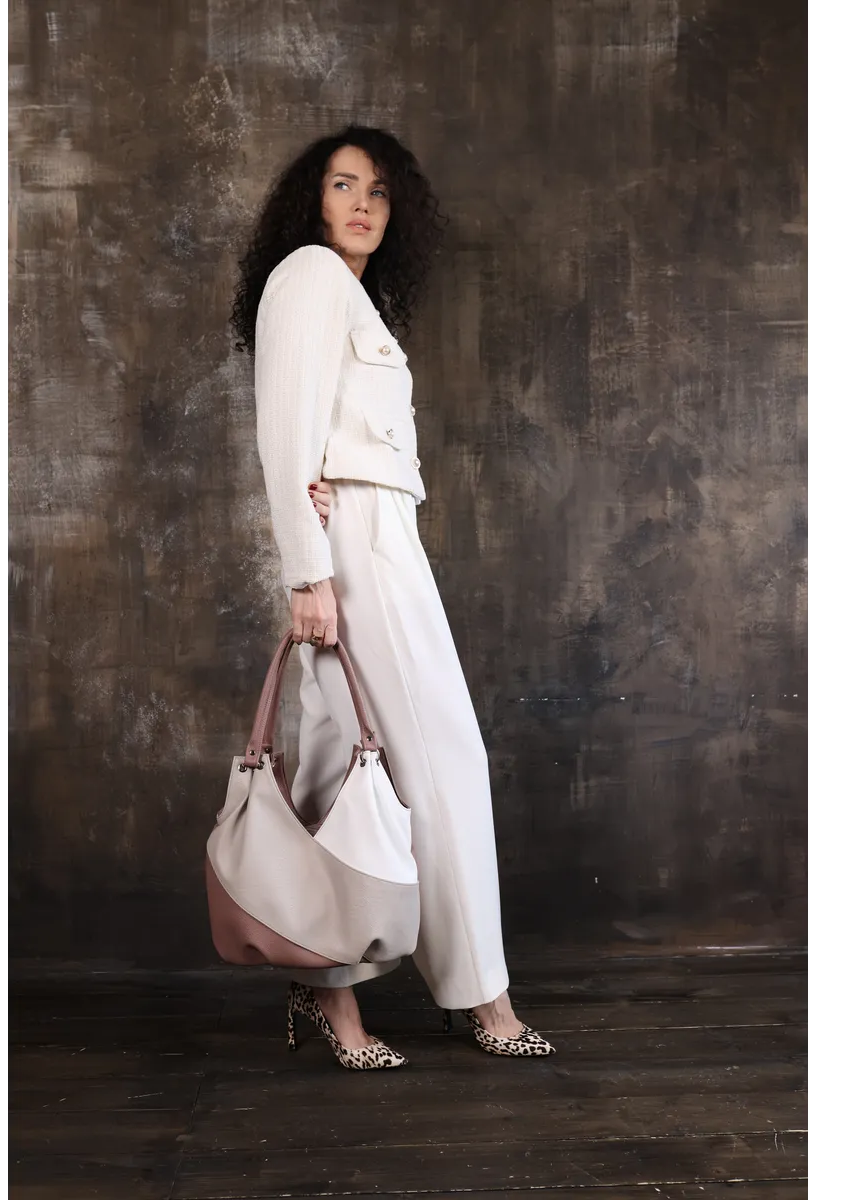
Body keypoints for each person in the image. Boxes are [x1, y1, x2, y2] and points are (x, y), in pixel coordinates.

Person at [230, 124, 553, 1069]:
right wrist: (309, 571)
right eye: (342, 185)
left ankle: (328, 991)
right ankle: (483, 996)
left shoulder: (347, 293)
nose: (363, 203)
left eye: (377, 190)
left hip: (371, 535)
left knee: (345, 764)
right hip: (354, 549)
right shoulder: (310, 277)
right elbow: (285, 439)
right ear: (311, 200)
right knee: (441, 762)